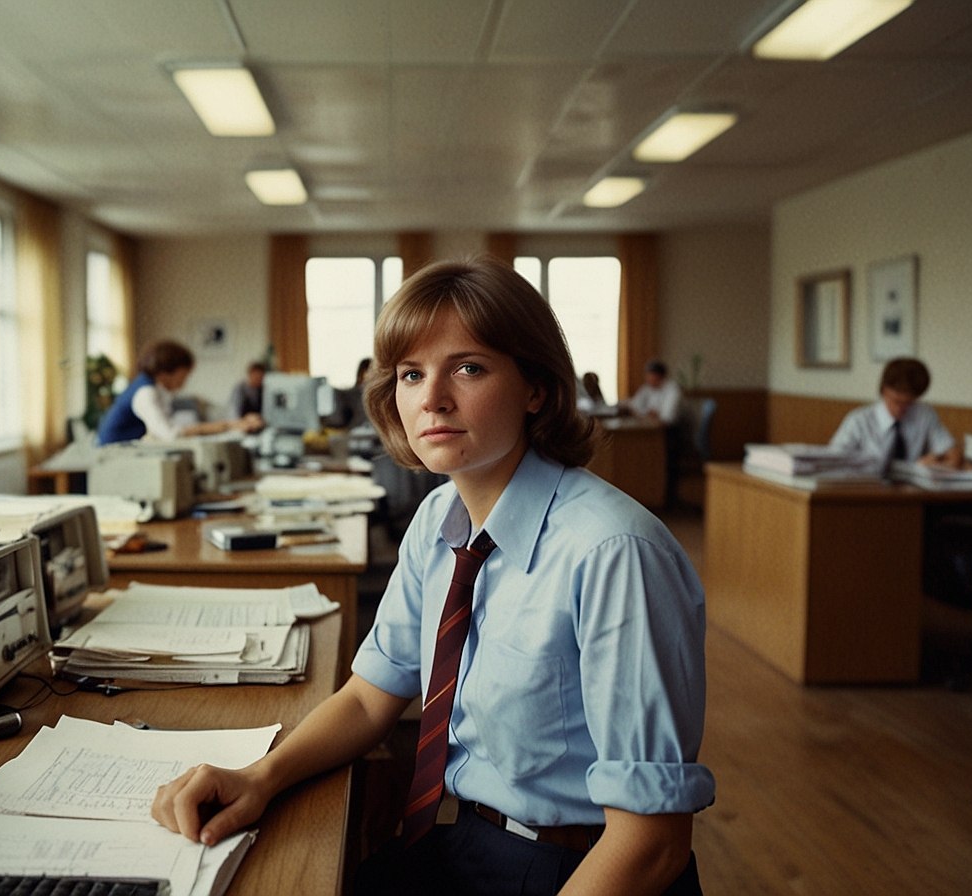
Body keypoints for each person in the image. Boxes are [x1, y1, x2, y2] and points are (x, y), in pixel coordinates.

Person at [151, 258, 713, 895]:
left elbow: (651, 842)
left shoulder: (615, 552)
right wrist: (261, 777)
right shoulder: (438, 516)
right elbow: (370, 698)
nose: (432, 398)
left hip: (583, 865)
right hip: (464, 836)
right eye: (412, 374)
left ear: (536, 388)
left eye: (468, 367)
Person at [96, 339, 263, 445]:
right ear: (169, 371)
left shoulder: (154, 389)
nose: (185, 381)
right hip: (113, 458)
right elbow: (171, 435)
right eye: (185, 374)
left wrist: (232, 424)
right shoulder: (145, 392)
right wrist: (229, 425)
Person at [829, 357, 962, 468]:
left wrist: (932, 464)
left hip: (912, 495)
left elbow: (954, 455)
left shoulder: (925, 415)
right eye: (896, 402)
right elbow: (831, 462)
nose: (901, 409)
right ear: (884, 390)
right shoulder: (858, 421)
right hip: (867, 492)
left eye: (908, 403)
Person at [621, 360, 683, 424]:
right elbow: (635, 405)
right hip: (649, 425)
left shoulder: (673, 390)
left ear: (658, 375)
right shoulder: (646, 389)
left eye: (649, 374)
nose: (647, 378)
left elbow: (668, 417)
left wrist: (655, 414)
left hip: (669, 429)